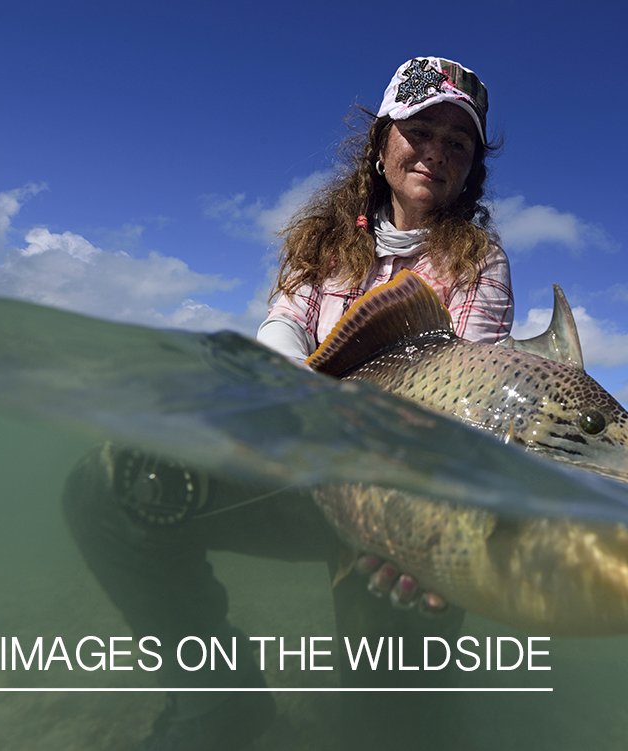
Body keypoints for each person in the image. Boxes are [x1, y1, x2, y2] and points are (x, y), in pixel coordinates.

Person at [62, 57, 511, 751]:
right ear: (381, 139)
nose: (438, 151)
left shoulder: (480, 257)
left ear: (472, 167)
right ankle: (219, 699)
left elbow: (469, 389)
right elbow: (284, 325)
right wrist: (278, 402)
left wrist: (433, 517)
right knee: (113, 485)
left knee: (388, 729)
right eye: (421, 129)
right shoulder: (323, 237)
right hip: (297, 467)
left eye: (459, 142)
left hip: (401, 497)